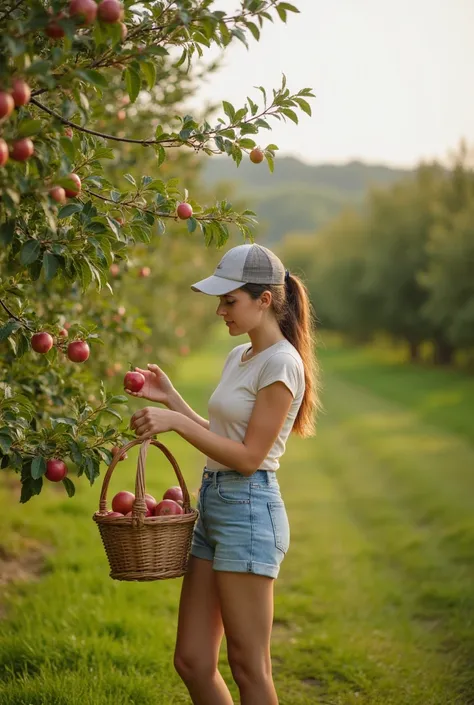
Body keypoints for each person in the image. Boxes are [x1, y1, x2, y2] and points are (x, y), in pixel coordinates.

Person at [128, 243, 320, 705]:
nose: (220, 311)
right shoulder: (239, 357)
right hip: (215, 505)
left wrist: (175, 424)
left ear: (265, 300)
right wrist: (172, 400)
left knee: (249, 667)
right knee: (192, 660)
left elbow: (248, 456)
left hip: (249, 511)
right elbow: (222, 436)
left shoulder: (282, 364)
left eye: (229, 301)